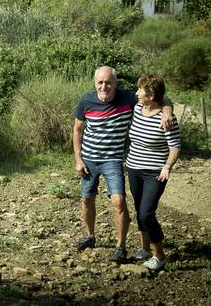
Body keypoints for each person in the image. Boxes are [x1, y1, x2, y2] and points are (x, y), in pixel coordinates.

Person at [72, 66, 173, 262]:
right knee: (87, 199)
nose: (104, 86)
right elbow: (77, 130)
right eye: (100, 82)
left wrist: (167, 111)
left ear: (116, 84)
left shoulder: (128, 98)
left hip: (113, 159)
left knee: (118, 200)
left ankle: (121, 246)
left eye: (108, 82)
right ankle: (90, 236)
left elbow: (160, 97)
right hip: (88, 159)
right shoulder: (86, 100)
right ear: (95, 83)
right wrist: (78, 159)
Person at [126, 74, 181, 271]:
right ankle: (144, 249)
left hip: (155, 173)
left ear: (151, 95)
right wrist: (167, 105)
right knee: (139, 209)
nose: (136, 93)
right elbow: (165, 99)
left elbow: (175, 146)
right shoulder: (137, 108)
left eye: (140, 90)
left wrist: (167, 166)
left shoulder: (166, 119)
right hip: (133, 168)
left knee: (147, 212)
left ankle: (160, 255)